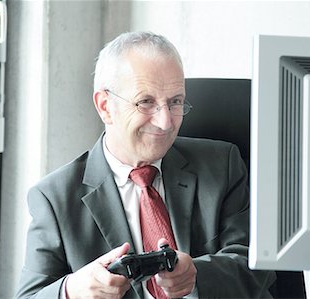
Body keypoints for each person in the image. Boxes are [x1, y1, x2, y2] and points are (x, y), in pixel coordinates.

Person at [16, 31, 276, 299]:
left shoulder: (223, 165)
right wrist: (71, 290)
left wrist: (197, 275)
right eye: (146, 102)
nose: (165, 122)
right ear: (105, 106)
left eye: (175, 101)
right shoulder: (54, 198)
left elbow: (259, 267)